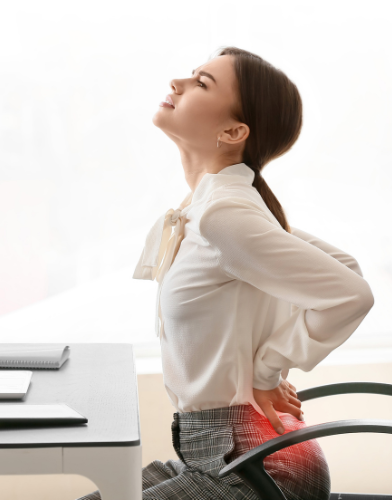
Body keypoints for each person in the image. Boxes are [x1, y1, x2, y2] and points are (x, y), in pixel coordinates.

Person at [77, 46, 374, 500]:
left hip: (260, 469)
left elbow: (351, 291)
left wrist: (267, 371)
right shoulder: (215, 207)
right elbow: (346, 266)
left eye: (201, 83)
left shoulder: (223, 214)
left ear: (233, 131)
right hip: (224, 454)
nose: (177, 83)